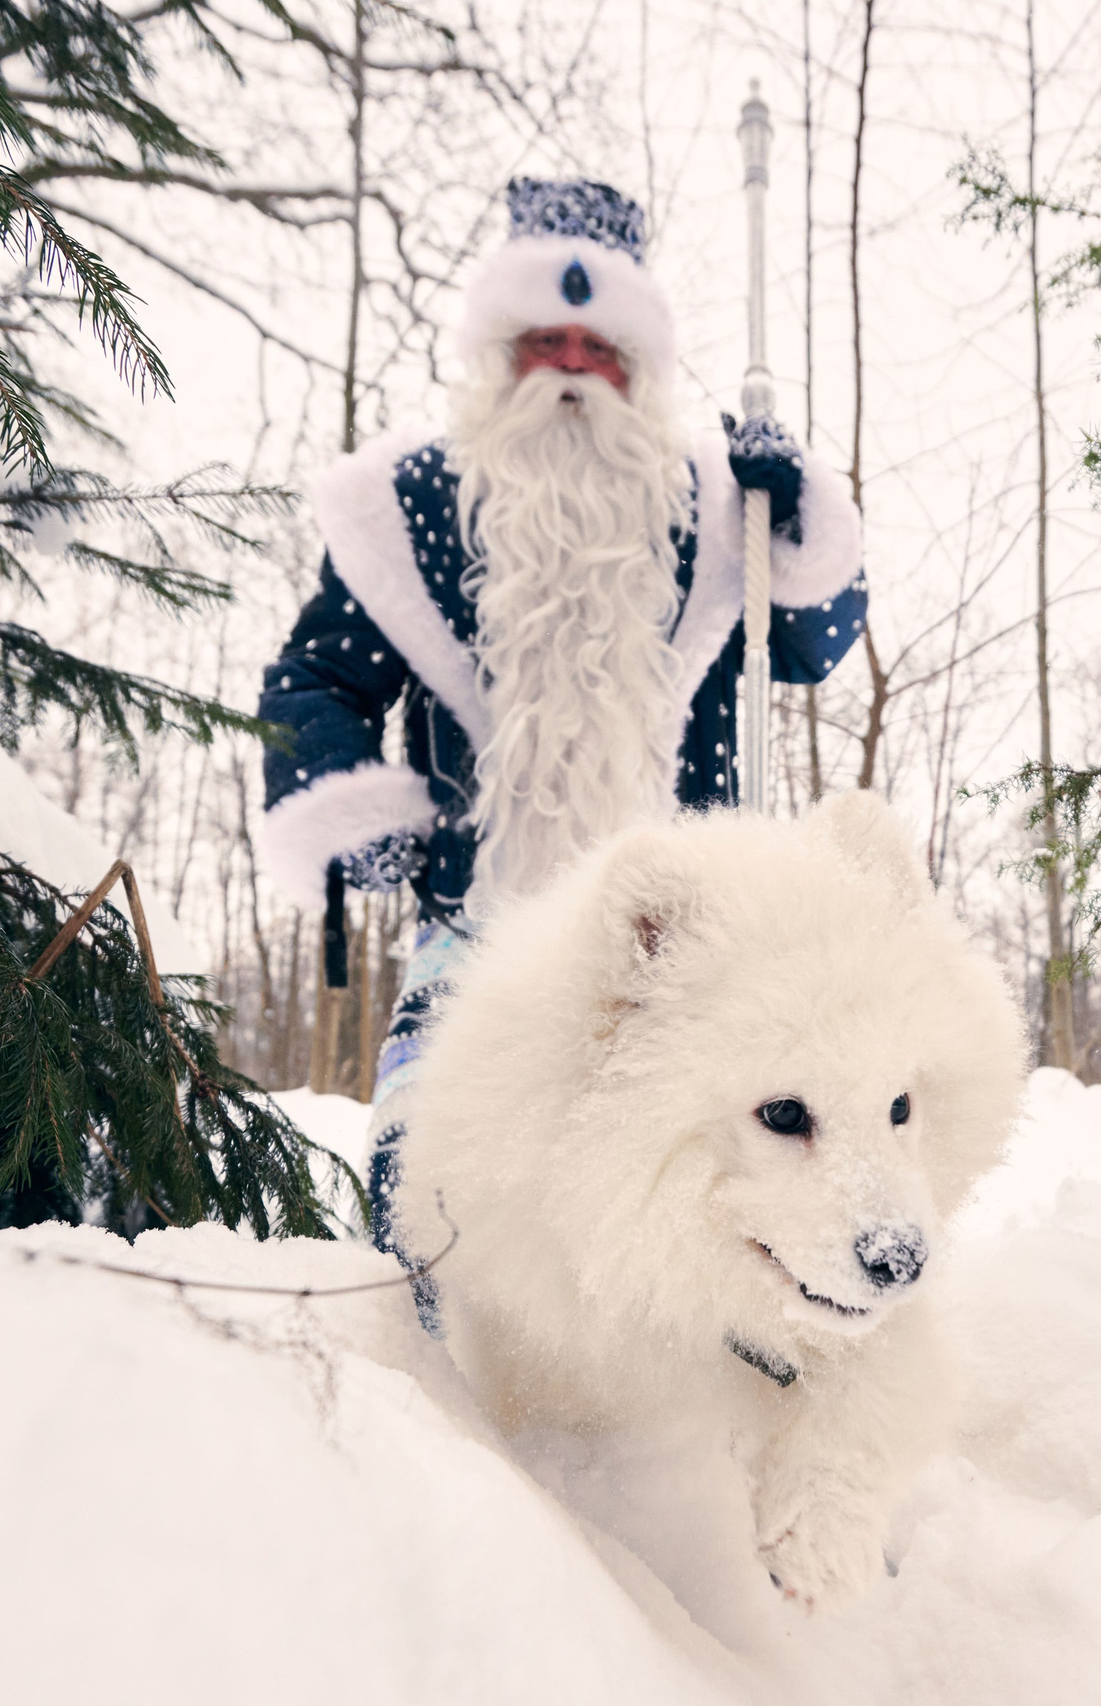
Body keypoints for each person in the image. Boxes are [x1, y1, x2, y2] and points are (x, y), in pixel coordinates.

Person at [254, 176, 868, 1267]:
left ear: (639, 368)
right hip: (478, 921)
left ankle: (676, 1407)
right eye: (548, 341)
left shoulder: (722, 507)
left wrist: (800, 511)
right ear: (502, 352)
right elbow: (317, 680)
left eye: (601, 347)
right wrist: (353, 811)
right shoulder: (410, 506)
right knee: (433, 1183)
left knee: (687, 1195)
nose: (575, 369)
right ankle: (444, 1389)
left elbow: (814, 643)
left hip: (689, 938)